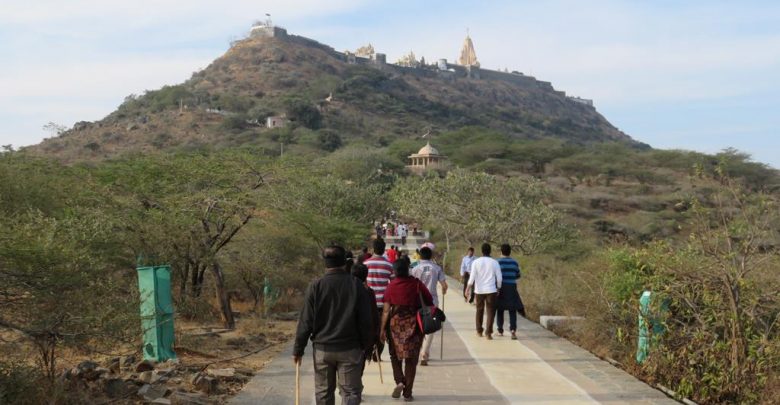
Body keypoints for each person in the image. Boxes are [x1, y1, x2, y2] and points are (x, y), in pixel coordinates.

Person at [293, 245, 374, 405]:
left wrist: (298, 349)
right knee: (350, 393)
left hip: (323, 350)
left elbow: (305, 321)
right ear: (345, 262)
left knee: (323, 393)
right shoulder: (356, 285)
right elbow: (366, 320)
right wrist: (366, 345)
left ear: (325, 263)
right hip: (350, 349)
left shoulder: (316, 286)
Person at [380, 260, 433, 402]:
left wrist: (381, 330)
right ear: (408, 270)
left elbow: (386, 311)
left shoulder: (391, 286)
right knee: (411, 359)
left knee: (394, 355)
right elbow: (429, 301)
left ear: (395, 271)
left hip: (395, 326)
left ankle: (399, 381)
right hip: (414, 326)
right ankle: (408, 393)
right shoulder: (417, 284)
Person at [410, 246, 448, 366]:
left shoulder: (415, 269)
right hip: (432, 301)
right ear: (431, 256)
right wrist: (444, 291)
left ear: (420, 256)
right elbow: (444, 285)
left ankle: (419, 350)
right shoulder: (437, 268)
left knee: (418, 326)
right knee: (430, 327)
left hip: (418, 301)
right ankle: (425, 353)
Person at [350, 262, 378, 401]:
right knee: (359, 364)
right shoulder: (369, 292)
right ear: (366, 277)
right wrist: (375, 335)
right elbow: (373, 315)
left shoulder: (345, 290)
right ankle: (355, 388)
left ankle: (352, 387)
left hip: (346, 334)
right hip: (362, 337)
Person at [466, 243, 502, 340]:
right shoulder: (495, 262)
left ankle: (479, 331)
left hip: (479, 291)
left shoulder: (476, 262)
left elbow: (472, 277)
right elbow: (499, 278)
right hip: (491, 290)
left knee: (479, 310)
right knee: (490, 312)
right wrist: (498, 288)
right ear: (490, 251)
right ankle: (488, 333)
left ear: (482, 251)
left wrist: (467, 289)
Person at [365, 238, 393, 358]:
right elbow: (393, 283)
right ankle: (378, 354)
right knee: (383, 328)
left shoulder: (365, 264)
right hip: (384, 303)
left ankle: (369, 352)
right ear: (384, 249)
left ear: (373, 249)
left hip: (368, 303)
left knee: (370, 328)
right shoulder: (389, 265)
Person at [496, 244, 525, 339]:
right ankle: (513, 330)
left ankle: (500, 330)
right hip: (512, 287)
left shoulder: (498, 262)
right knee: (512, 309)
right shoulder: (514, 263)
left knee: (500, 309)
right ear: (510, 252)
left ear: (501, 251)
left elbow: (495, 276)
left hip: (501, 287)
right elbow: (518, 275)